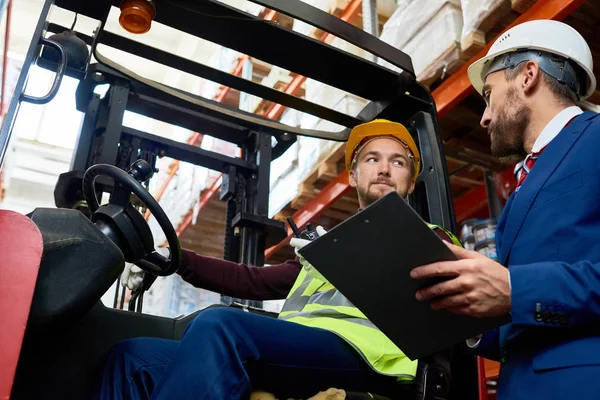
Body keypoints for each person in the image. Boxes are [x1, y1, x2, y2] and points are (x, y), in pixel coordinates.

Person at [99, 119, 462, 400]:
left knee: (221, 325)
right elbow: (253, 281)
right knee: (132, 356)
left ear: (411, 182)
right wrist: (175, 259)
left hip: (367, 359)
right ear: (353, 175)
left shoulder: (431, 238)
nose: (384, 169)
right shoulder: (326, 248)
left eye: (397, 162)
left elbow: (449, 308)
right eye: (372, 159)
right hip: (298, 350)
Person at [410, 19, 600, 400]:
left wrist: (515, 289)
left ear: (528, 76)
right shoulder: (522, 187)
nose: (483, 116)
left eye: (488, 94)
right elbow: (526, 325)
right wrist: (468, 317)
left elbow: (524, 296)